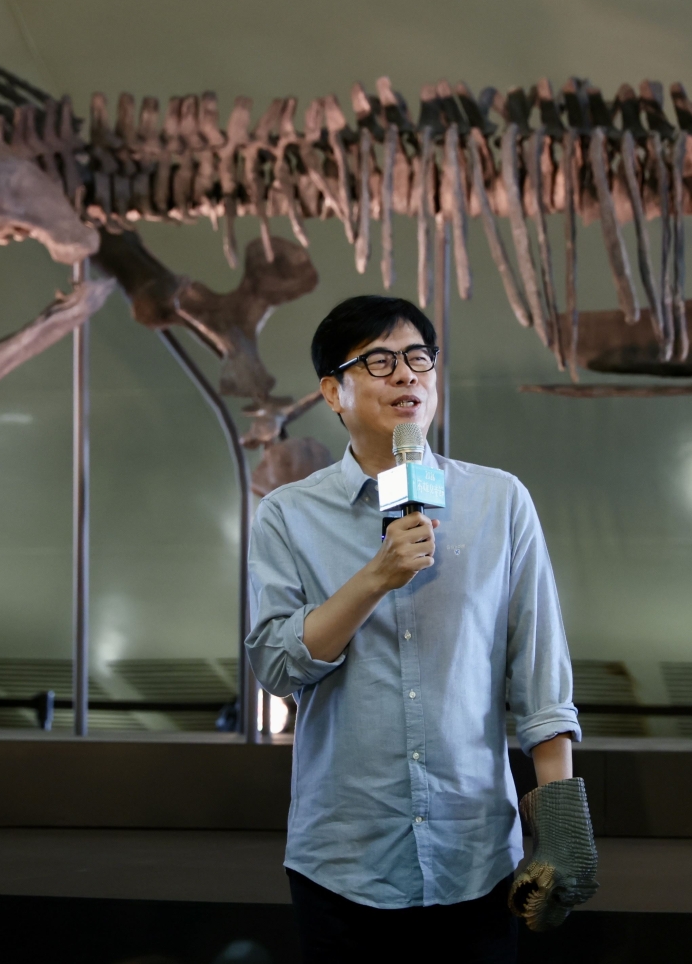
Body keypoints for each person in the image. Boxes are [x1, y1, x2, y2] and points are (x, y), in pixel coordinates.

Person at [246, 296, 598, 964]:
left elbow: (540, 678)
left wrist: (562, 834)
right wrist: (375, 577)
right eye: (380, 361)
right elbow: (277, 667)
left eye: (419, 358)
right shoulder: (287, 515)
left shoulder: (499, 501)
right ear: (334, 392)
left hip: (476, 861)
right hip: (342, 864)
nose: (407, 374)